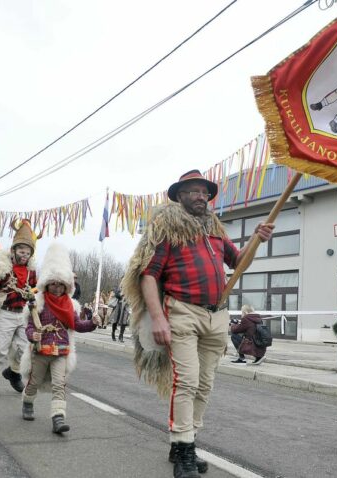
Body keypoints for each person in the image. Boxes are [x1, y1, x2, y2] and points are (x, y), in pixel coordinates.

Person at [121, 170, 273, 478]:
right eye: (192, 191)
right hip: (182, 313)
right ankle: (185, 453)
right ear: (179, 196)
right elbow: (148, 275)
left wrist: (257, 238)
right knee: (187, 381)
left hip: (216, 317)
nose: (200, 196)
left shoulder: (215, 231)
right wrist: (159, 319)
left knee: (205, 385)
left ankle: (183, 441)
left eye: (203, 191)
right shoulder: (167, 228)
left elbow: (238, 261)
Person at [21, 243, 100, 433]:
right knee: (34, 382)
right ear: (47, 283)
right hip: (40, 351)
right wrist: (34, 335)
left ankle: (58, 418)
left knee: (59, 385)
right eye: (53, 283)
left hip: (61, 352)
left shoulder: (71, 306)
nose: (57, 287)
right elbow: (30, 327)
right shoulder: (37, 302)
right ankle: (27, 403)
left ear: (67, 286)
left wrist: (93, 323)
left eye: (61, 284)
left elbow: (78, 325)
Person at [0, 219, 39, 398]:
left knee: (24, 349)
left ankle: (13, 373)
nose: (24, 254)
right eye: (22, 250)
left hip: (22, 314)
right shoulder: (2, 268)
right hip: (5, 312)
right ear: (13, 250)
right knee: (0, 349)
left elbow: (34, 292)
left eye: (28, 252)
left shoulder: (31, 271)